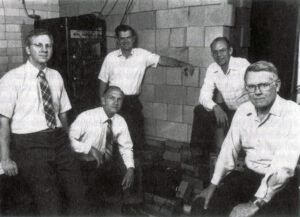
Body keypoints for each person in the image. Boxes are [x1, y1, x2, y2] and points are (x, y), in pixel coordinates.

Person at [192, 61, 300, 217]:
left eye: (264, 85)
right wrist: (213, 184)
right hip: (249, 177)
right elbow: (228, 150)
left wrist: (254, 204)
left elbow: (282, 168)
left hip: (280, 186)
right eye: (251, 86)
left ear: (277, 85)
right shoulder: (243, 110)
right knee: (202, 206)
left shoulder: (293, 112)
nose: (257, 92)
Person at [0, 29, 86, 216]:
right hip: (29, 143)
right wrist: (5, 158)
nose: (44, 49)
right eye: (38, 45)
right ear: (28, 49)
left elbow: (63, 114)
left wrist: (68, 142)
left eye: (48, 45)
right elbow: (3, 121)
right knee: (49, 201)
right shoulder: (11, 78)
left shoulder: (56, 76)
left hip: (59, 140)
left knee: (78, 193)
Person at [98, 24, 194, 152]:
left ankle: (133, 168)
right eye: (122, 38)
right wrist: (103, 103)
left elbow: (162, 60)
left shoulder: (142, 55)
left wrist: (181, 64)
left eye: (128, 38)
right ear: (118, 40)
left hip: (132, 103)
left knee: (136, 139)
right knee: (113, 140)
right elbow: (103, 81)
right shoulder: (110, 58)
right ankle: (114, 169)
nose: (125, 41)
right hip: (113, 102)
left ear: (133, 39)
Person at [69, 86, 145, 216]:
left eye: (119, 99)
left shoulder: (120, 121)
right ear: (103, 100)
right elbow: (68, 140)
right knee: (90, 199)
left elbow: (126, 147)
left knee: (134, 167)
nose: (116, 102)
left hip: (102, 162)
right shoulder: (86, 117)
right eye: (112, 98)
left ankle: (125, 207)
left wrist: (130, 169)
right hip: (81, 164)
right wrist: (88, 148)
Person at [190, 37, 250, 167]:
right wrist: (216, 107)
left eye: (222, 50)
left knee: (239, 148)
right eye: (215, 52)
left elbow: (255, 89)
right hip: (228, 109)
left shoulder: (242, 64)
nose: (219, 55)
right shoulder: (212, 68)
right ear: (212, 54)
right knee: (200, 110)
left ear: (230, 51)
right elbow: (203, 96)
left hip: (247, 112)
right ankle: (198, 154)